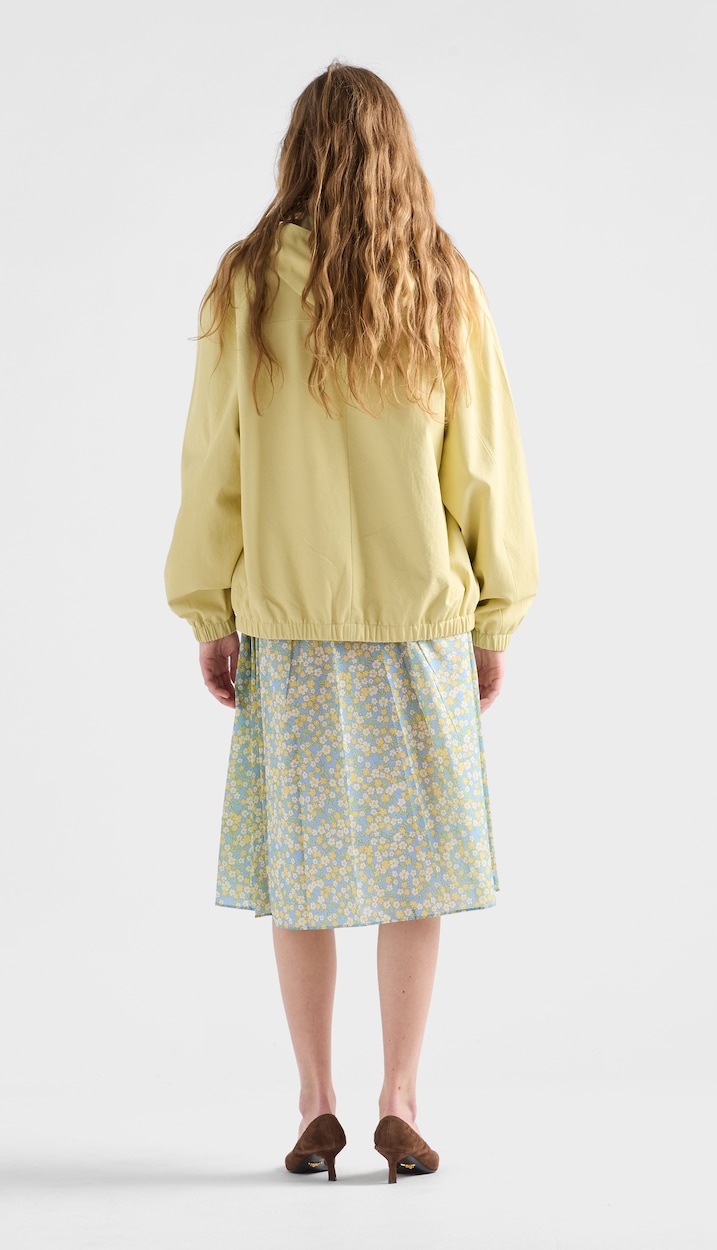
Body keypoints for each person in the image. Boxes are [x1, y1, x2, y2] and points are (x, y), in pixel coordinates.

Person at [164, 62, 539, 1184]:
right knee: (416, 874)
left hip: (290, 625)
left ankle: (315, 1101)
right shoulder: (439, 281)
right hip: (417, 623)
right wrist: (496, 612)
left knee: (303, 874)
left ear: (298, 154)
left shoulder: (244, 287)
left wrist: (209, 607)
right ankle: (400, 1100)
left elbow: (214, 464)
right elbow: (485, 463)